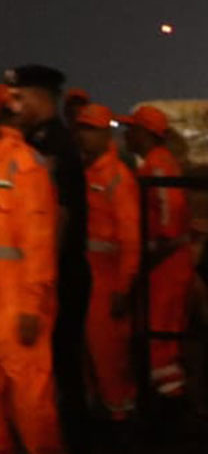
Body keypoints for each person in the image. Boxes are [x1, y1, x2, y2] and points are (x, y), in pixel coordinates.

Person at [5, 65, 92, 454]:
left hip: (56, 279)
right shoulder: (35, 144)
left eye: (21, 97)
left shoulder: (50, 145)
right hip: (38, 283)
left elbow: (53, 221)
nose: (16, 106)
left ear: (43, 97)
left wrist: (40, 291)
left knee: (56, 380)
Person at [117, 105, 192, 406]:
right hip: (166, 264)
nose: (125, 134)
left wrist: (147, 259)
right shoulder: (156, 163)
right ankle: (169, 402)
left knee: (161, 341)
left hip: (166, 266)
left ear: (144, 133)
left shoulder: (158, 166)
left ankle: (172, 407)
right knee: (162, 338)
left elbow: (168, 224)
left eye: (130, 128)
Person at [74, 104, 140, 423]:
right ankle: (102, 413)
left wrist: (123, 286)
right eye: (81, 129)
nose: (83, 136)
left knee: (108, 354)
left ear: (105, 134)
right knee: (89, 352)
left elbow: (130, 236)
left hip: (107, 279)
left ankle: (120, 419)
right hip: (88, 274)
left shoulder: (117, 177)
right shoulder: (89, 171)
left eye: (90, 130)